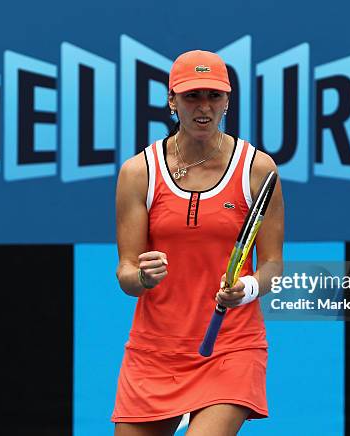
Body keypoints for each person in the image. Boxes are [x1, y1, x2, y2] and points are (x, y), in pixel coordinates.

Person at [112, 49, 284, 436]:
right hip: (154, 352)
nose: (203, 107)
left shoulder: (257, 168)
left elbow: (273, 264)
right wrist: (143, 277)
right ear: (172, 100)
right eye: (192, 96)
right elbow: (126, 273)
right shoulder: (139, 172)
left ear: (227, 100)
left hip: (231, 347)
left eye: (214, 96)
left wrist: (248, 288)